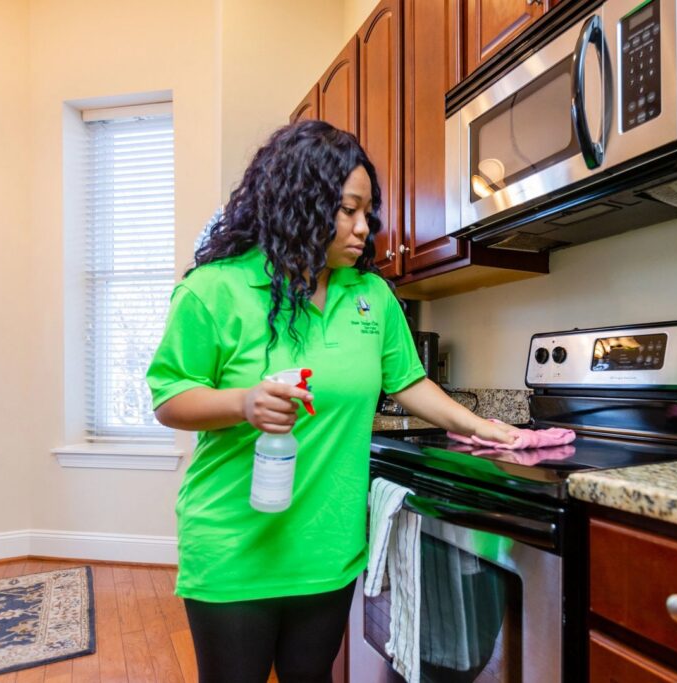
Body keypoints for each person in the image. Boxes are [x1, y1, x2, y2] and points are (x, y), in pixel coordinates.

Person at [146, 119, 519, 683]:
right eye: (348, 210)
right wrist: (244, 402)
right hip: (234, 547)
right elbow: (171, 398)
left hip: (329, 550)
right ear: (301, 201)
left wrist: (487, 428)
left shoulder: (370, 294)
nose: (363, 228)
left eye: (367, 212)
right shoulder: (214, 290)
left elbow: (409, 383)